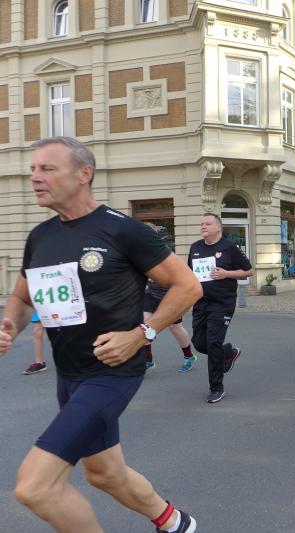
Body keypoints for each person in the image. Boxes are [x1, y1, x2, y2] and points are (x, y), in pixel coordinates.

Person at [0, 136, 201, 532]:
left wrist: (143, 333)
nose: (35, 177)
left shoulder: (123, 230)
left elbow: (188, 286)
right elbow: (23, 298)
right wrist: (8, 325)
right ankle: (177, 523)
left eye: (47, 169)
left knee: (35, 488)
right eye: (33, 169)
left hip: (111, 373)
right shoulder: (40, 236)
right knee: (105, 474)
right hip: (69, 375)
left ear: (84, 174)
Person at [189, 213, 253, 403]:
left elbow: (248, 270)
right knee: (199, 343)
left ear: (218, 227)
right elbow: (190, 274)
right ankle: (228, 353)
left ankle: (216, 388)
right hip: (200, 302)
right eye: (202, 223)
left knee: (213, 343)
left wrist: (226, 273)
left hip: (222, 303)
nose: (203, 226)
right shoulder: (195, 247)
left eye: (207, 223)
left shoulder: (229, 247)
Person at [142, 223, 196, 372]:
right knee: (144, 325)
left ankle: (189, 356)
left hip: (170, 294)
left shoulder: (165, 251)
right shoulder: (141, 251)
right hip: (151, 293)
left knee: (175, 327)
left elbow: (177, 274)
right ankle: (148, 360)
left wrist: (159, 276)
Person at [22, 310, 47, 375]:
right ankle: (39, 363)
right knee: (37, 332)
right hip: (43, 306)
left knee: (57, 332)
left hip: (61, 306)